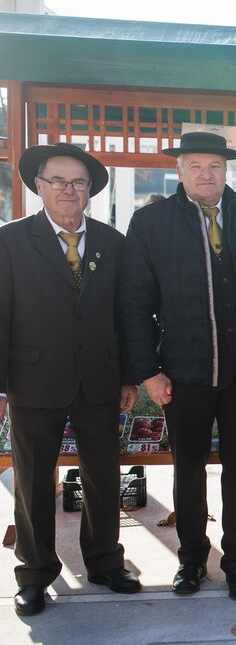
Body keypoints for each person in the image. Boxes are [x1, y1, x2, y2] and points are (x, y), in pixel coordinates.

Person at [120, 131, 236, 600]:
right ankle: (190, 559)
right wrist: (148, 370)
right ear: (179, 169)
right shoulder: (151, 221)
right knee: (188, 470)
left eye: (215, 165)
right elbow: (134, 303)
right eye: (195, 165)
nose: (206, 174)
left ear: (227, 169)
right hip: (183, 373)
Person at [0, 143, 141, 616]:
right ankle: (35, 572)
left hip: (99, 378)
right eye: (57, 180)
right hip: (33, 379)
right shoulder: (9, 241)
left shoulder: (112, 242)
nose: (68, 189)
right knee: (33, 481)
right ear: (39, 186)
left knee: (103, 476)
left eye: (78, 182)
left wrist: (128, 377)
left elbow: (126, 314)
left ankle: (105, 562)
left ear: (90, 190)